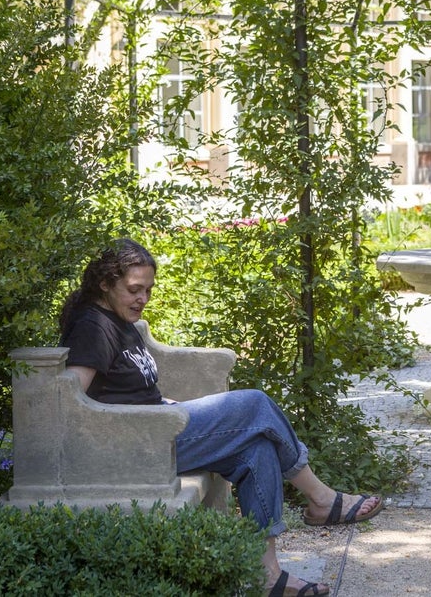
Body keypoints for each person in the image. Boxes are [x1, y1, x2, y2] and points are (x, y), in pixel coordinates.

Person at [60, 238, 384, 597]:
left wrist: (166, 405)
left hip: (159, 426)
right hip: (140, 445)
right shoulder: (93, 326)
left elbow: (125, 389)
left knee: (256, 449)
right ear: (105, 284)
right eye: (134, 290)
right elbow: (73, 401)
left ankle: (267, 574)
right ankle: (321, 498)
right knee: (255, 405)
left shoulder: (117, 319)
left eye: (148, 290)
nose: (143, 299)